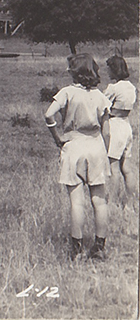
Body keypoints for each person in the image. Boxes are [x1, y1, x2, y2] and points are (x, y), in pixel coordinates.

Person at [44, 53, 111, 260]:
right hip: (96, 146)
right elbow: (106, 130)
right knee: (99, 201)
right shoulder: (100, 96)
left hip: (73, 146)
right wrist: (106, 153)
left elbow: (48, 114)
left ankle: (76, 249)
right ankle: (99, 246)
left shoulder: (67, 92)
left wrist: (57, 137)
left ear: (75, 72)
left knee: (77, 202)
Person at [103, 55, 137, 206]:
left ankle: (112, 202)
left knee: (113, 168)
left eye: (109, 68)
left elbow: (102, 105)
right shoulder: (131, 87)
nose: (107, 72)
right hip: (126, 125)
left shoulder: (113, 88)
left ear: (114, 69)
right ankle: (130, 201)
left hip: (115, 125)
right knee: (126, 167)